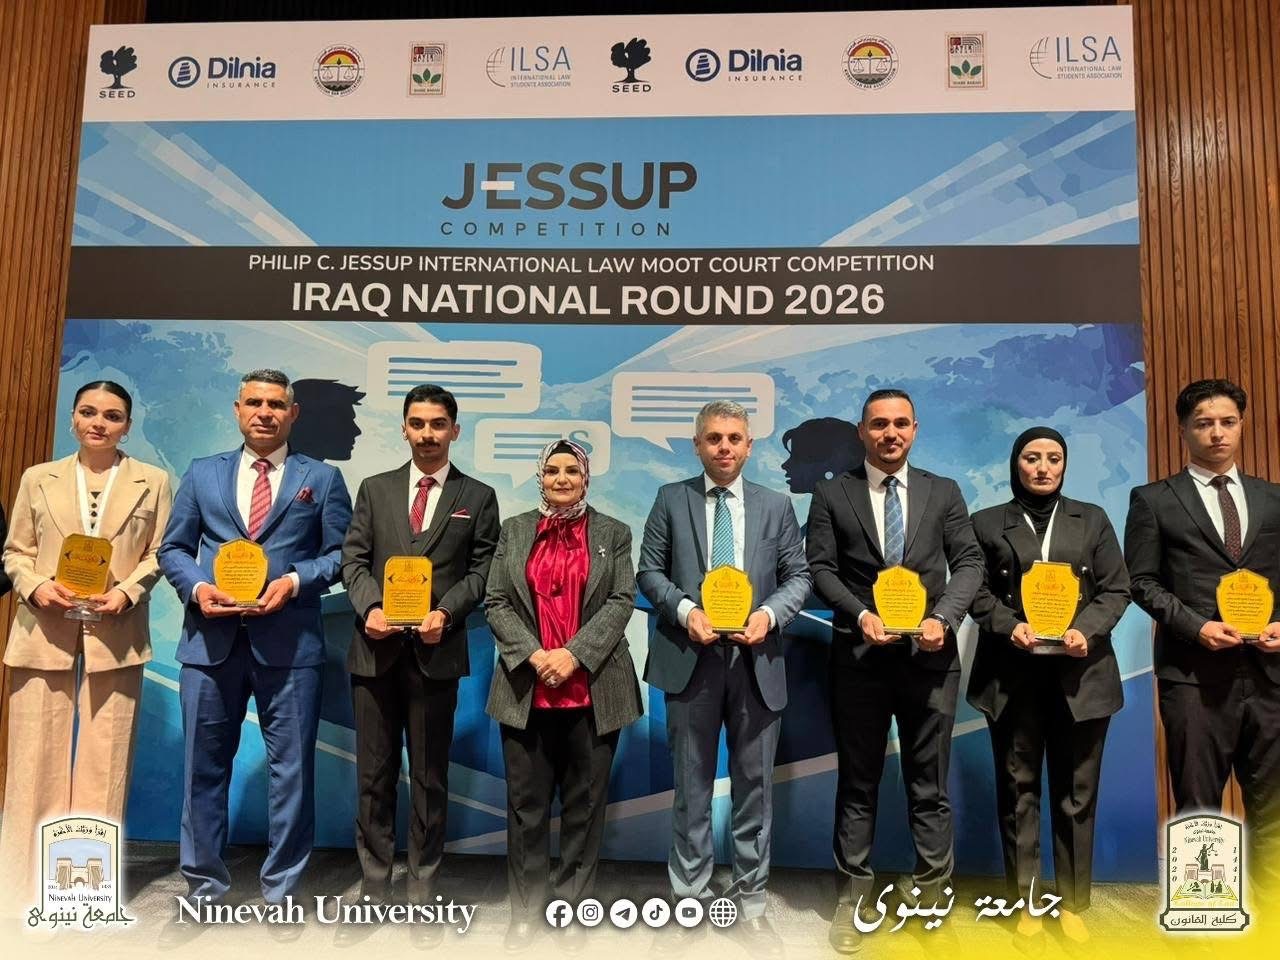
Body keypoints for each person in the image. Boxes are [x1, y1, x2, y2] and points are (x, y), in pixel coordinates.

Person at [157, 368, 351, 943]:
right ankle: (202, 891)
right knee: (202, 768)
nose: (264, 412)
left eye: (276, 404)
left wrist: (294, 580)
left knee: (292, 772)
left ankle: (282, 894)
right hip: (209, 642)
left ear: (293, 413)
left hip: (290, 644)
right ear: (238, 409)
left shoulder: (323, 478)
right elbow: (173, 547)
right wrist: (197, 586)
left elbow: (340, 555)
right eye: (254, 403)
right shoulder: (202, 472)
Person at [805, 388, 983, 954]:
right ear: (862, 431)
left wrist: (944, 618)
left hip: (930, 660)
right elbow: (820, 568)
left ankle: (931, 895)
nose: (890, 433)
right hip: (859, 659)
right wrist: (859, 615)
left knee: (929, 785)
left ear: (915, 429)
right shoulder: (833, 493)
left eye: (901, 423)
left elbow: (969, 562)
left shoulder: (943, 491)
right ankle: (853, 897)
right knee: (858, 783)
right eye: (879, 424)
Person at [637, 399, 811, 958]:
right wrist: (687, 610)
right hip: (691, 659)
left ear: (749, 445)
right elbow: (649, 571)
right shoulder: (671, 499)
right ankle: (689, 896)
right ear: (697, 444)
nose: (724, 447)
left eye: (735, 438)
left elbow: (798, 576)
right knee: (690, 787)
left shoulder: (776, 506)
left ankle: (750, 901)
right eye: (713, 438)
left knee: (754, 789)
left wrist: (770, 615)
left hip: (757, 664)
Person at [339, 383, 499, 948]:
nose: (427, 434)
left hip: (436, 654)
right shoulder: (375, 488)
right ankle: (373, 886)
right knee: (372, 777)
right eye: (417, 423)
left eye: (437, 424)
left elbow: (482, 571)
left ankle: (423, 890)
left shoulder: (477, 496)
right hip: (375, 652)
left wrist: (447, 613)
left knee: (430, 778)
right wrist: (370, 608)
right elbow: (353, 560)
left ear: (454, 430)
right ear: (404, 428)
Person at [0, 381, 171, 909]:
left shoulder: (153, 481)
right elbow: (15, 552)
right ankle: (21, 889)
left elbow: (161, 553)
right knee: (34, 759)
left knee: (106, 762)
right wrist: (35, 586)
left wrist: (128, 591)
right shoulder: (38, 478)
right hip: (43, 627)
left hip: (116, 631)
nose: (99, 423)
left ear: (128, 426)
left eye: (112, 416)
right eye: (89, 412)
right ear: (73, 418)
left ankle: (84, 893)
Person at [967, 427, 1130, 948]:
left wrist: (1088, 629)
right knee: (1018, 793)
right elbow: (975, 592)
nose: (1042, 467)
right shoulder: (986, 522)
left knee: (1076, 794)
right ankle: (1027, 902)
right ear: (1016, 464)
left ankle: (1073, 904)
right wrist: (1007, 624)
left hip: (1082, 674)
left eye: (1053, 458)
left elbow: (1117, 588)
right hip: (1012, 676)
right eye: (1032, 457)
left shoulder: (1092, 519)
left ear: (1064, 465)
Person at [484, 439, 641, 952]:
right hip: (526, 689)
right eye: (552, 470)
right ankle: (526, 911)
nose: (562, 478)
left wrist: (573, 654)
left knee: (584, 807)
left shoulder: (613, 533)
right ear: (540, 477)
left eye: (572, 470)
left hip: (593, 690)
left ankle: (572, 906)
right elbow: (496, 600)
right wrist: (534, 655)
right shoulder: (514, 530)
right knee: (525, 808)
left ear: (586, 478)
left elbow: (621, 600)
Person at [1124, 379, 1280, 894]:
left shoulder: (1274, 499)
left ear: (1242, 425)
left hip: (1271, 679)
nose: (1217, 433)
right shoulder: (1154, 500)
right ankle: (1206, 921)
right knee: (1199, 812)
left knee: (1275, 810)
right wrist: (1197, 626)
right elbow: (1141, 582)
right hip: (1193, 679)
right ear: (1183, 430)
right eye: (1204, 423)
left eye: (1227, 422)